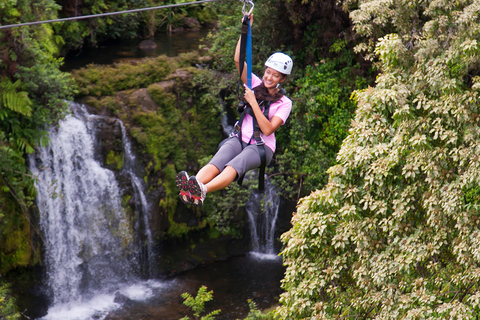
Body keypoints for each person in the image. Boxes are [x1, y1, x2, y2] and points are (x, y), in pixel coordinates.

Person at [176, 15, 293, 206]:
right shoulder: (254, 82)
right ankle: (192, 187)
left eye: (275, 75)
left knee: (234, 165)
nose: (269, 77)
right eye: (268, 72)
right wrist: (245, 29)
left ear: (282, 79)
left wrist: (253, 102)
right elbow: (238, 60)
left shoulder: (284, 103)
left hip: (261, 146)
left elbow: (269, 129)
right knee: (217, 161)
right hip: (239, 137)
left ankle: (202, 191)